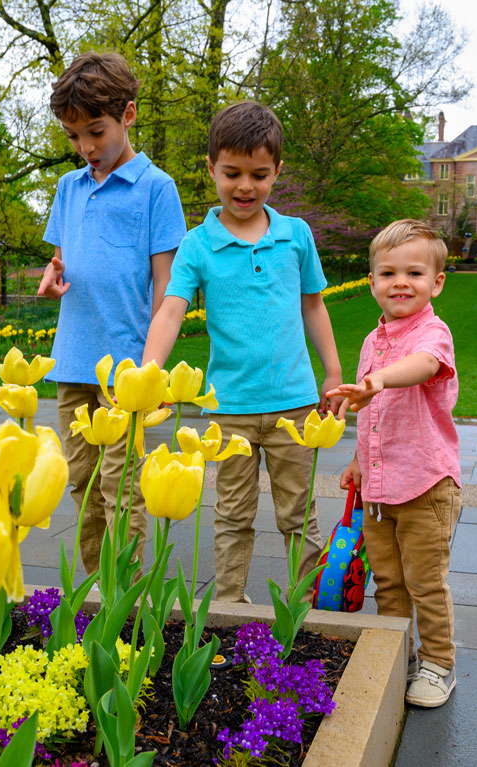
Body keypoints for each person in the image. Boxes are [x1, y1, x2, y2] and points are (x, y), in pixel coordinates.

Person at [142, 100, 342, 603]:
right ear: (212, 169)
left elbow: (313, 306)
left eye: (258, 174)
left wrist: (333, 371)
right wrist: (147, 377)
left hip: (295, 405)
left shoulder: (296, 236)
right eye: (232, 173)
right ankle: (229, 605)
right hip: (226, 409)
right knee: (232, 515)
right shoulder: (197, 245)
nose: (245, 187)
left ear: (277, 171)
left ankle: (305, 609)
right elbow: (169, 312)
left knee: (300, 516)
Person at [38, 52, 188, 575]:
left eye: (94, 132)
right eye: (73, 136)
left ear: (127, 114)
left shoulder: (156, 189)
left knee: (121, 487)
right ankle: (97, 594)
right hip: (73, 361)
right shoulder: (69, 187)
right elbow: (61, 260)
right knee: (82, 483)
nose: (85, 148)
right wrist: (51, 279)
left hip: (125, 368)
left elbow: (168, 286)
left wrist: (151, 368)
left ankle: (127, 597)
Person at [327, 219, 461, 708]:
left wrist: (378, 380)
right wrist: (360, 460)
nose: (399, 282)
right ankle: (395, 650)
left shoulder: (433, 332)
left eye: (414, 273)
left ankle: (438, 663)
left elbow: (424, 366)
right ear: (372, 283)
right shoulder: (371, 340)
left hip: (426, 485)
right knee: (388, 579)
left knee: (425, 582)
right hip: (380, 491)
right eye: (387, 273)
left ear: (436, 283)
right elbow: (373, 413)